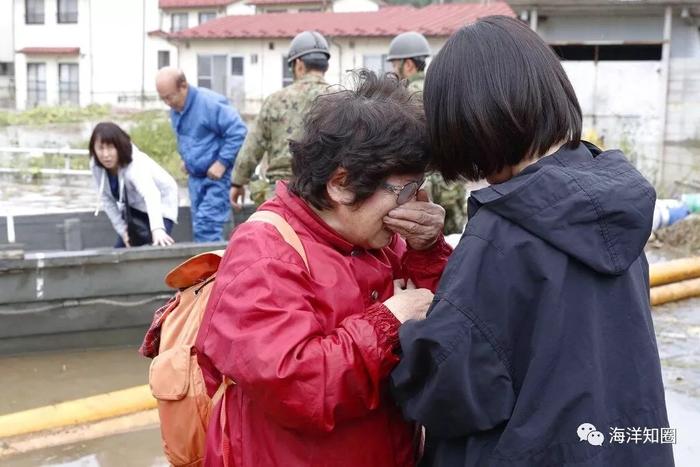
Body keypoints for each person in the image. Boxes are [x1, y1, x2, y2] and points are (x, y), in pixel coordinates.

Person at [391, 16, 674, 467]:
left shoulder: (505, 232)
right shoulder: (615, 208)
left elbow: (449, 391)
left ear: (471, 122)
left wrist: (405, 326)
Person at [195, 71, 452, 466]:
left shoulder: (381, 240)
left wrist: (428, 250)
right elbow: (299, 387)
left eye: (418, 188)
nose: (412, 204)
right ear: (341, 183)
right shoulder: (263, 254)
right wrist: (387, 321)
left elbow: (453, 325)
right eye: (403, 191)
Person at [230, 31, 331, 209]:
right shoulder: (344, 101)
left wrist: (238, 182)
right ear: (325, 66)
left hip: (282, 194)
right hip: (326, 196)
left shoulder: (275, 100)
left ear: (299, 65)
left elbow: (252, 147)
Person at [387, 31, 467, 235]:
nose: (393, 70)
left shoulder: (402, 97)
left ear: (408, 65)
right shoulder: (441, 90)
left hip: (423, 186)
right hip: (453, 182)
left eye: (395, 65)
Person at [156, 67, 247, 242]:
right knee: (199, 225)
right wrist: (186, 160)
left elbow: (239, 131)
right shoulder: (176, 110)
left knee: (207, 227)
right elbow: (189, 138)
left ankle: (213, 268)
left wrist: (222, 162)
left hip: (216, 179)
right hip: (195, 179)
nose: (167, 102)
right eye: (163, 98)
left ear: (183, 86)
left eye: (170, 96)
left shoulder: (209, 103)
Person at [90, 122, 178, 247]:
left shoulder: (135, 165)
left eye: (110, 148)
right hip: (133, 205)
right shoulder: (96, 165)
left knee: (158, 244)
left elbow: (151, 194)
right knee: (122, 250)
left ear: (119, 147)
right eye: (100, 148)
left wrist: (158, 229)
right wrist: (123, 231)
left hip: (161, 202)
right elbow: (106, 199)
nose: (105, 155)